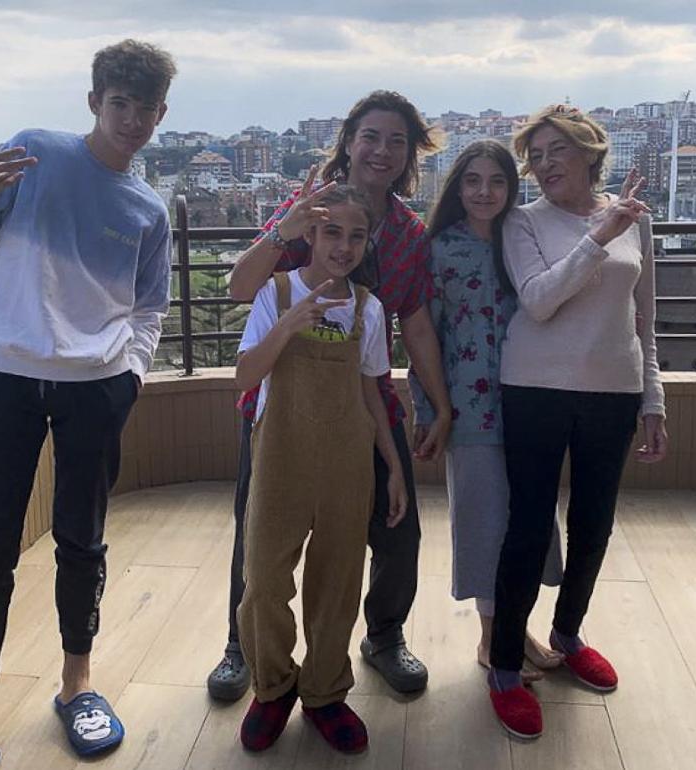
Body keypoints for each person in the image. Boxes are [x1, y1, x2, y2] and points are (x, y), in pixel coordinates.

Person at [0, 40, 175, 770]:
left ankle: (77, 686)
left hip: (94, 388)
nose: (130, 119)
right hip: (2, 375)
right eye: (119, 102)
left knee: (83, 540)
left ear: (162, 114)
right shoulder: (35, 154)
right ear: (95, 100)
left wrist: (129, 374)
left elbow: (151, 309)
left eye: (145, 108)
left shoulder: (147, 209)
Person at [206, 90, 452, 701]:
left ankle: (383, 636)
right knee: (257, 529)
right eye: (371, 136)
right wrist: (287, 227)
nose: (382, 151)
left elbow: (415, 322)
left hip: (364, 398)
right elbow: (243, 286)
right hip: (281, 402)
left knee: (397, 528)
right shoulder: (307, 207)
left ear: (410, 155)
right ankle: (244, 648)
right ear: (349, 141)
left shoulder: (405, 232)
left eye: (398, 141)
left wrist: (439, 402)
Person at [486, 105, 669, 740]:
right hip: (534, 388)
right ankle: (505, 665)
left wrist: (653, 400)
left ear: (590, 152)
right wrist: (598, 236)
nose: (542, 165)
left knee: (595, 524)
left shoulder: (633, 219)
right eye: (534, 156)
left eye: (555, 150)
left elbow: (644, 319)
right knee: (529, 529)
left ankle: (567, 633)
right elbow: (537, 301)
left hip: (613, 392)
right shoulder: (522, 222)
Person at [235, 185, 406, 754]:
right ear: (309, 233)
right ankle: (273, 686)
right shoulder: (275, 294)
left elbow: (371, 393)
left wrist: (393, 467)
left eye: (357, 236)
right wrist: (288, 325)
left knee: (337, 584)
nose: (344, 246)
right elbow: (244, 376)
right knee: (263, 584)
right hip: (280, 460)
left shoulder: (369, 308)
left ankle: (326, 693)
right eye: (332, 232)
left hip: (346, 466)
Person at [409, 140, 565, 683]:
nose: (483, 192)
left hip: (529, 401)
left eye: (496, 181)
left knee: (530, 518)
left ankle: (514, 627)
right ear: (457, 187)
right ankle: (491, 634)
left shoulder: (524, 241)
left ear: (511, 187)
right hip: (468, 410)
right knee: (483, 522)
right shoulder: (439, 248)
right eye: (472, 181)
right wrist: (428, 407)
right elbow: (423, 330)